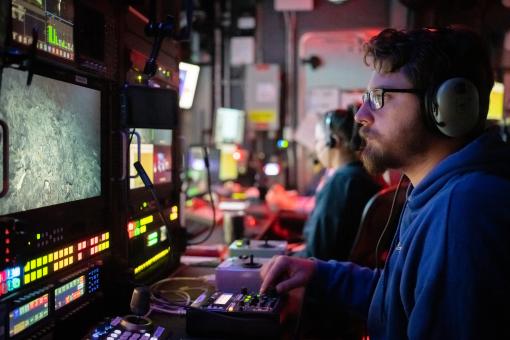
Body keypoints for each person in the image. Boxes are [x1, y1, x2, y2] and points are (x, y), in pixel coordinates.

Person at [260, 26, 510, 339]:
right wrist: (318, 273)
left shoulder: (465, 209)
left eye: (379, 98)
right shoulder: (432, 193)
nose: (360, 115)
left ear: (446, 106)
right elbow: (399, 301)